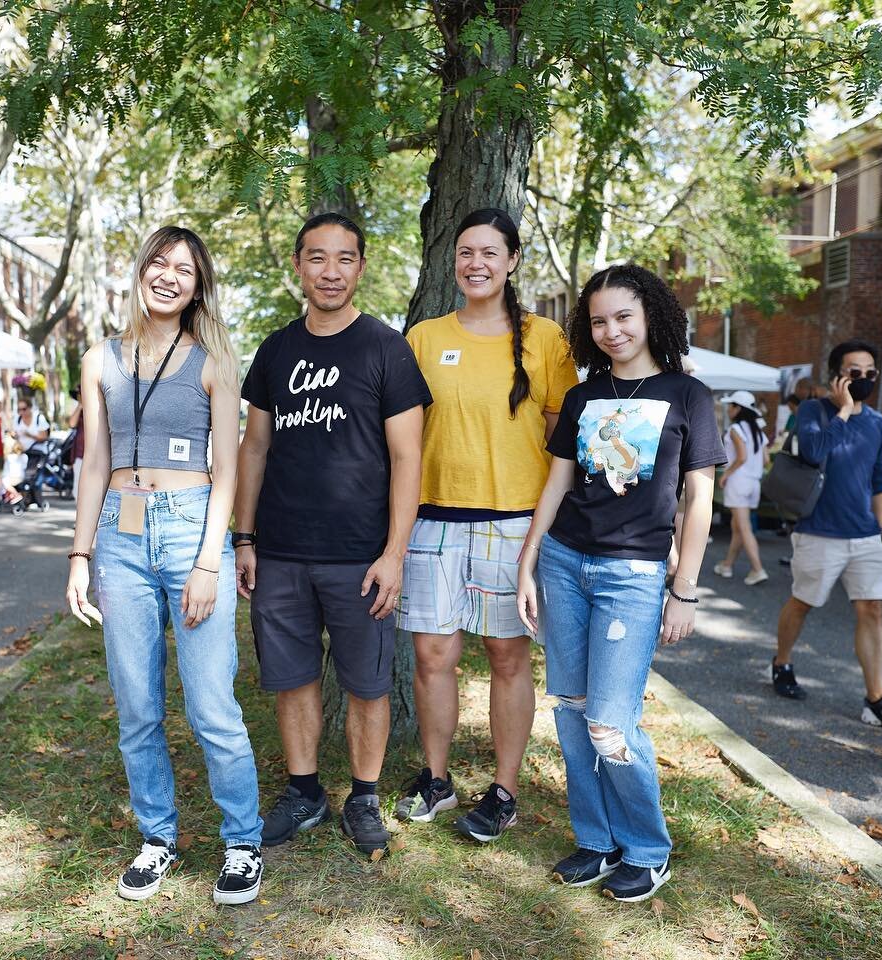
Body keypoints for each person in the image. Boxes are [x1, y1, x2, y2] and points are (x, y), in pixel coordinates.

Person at [65, 226, 262, 905]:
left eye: (185, 268)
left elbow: (228, 472)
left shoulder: (213, 360)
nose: (170, 275)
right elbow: (94, 462)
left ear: (198, 284)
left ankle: (243, 842)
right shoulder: (100, 359)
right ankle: (158, 838)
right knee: (138, 708)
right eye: (159, 262)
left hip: (189, 534)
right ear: (141, 271)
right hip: (120, 539)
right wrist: (79, 554)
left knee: (212, 706)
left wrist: (211, 559)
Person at [516, 264, 721, 902]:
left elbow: (700, 497)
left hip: (632, 574)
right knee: (574, 716)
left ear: (652, 316)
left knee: (611, 722)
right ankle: (598, 841)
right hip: (564, 562)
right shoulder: (582, 397)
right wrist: (527, 563)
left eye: (623, 317)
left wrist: (684, 587)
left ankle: (648, 850)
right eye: (599, 320)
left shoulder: (689, 396)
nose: (611, 331)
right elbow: (558, 483)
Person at [235, 212, 431, 858]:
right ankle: (303, 791)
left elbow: (408, 459)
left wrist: (394, 553)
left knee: (368, 683)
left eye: (344, 259)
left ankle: (365, 796)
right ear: (299, 265)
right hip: (283, 552)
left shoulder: (385, 349)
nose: (330, 271)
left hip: (361, 558)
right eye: (317, 258)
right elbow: (254, 449)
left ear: (361, 268)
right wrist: (244, 538)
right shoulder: (275, 351)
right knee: (292, 678)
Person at [394, 208, 578, 842]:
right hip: (432, 518)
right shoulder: (421, 338)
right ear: (454, 262)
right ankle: (437, 780)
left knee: (506, 655)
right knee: (433, 654)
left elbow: (563, 438)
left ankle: (504, 790)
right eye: (466, 252)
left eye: (490, 253)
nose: (476, 263)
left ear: (513, 261)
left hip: (515, 523)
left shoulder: (547, 340)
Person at [770, 340, 882, 733]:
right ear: (836, 376)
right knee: (803, 603)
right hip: (818, 531)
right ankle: (782, 662)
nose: (864, 379)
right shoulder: (812, 412)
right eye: (855, 372)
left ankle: (876, 697)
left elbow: (878, 476)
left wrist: (881, 527)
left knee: (872, 609)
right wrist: (846, 411)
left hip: (866, 535)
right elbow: (814, 451)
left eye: (871, 373)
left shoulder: (879, 423)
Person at [713, 390, 769, 584]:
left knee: (743, 527)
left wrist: (727, 473)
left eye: (731, 406)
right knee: (737, 526)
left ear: (738, 409)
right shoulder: (758, 430)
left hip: (739, 481)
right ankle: (727, 565)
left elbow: (742, 456)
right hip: (754, 483)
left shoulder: (736, 429)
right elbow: (766, 459)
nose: (729, 410)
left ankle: (758, 569)